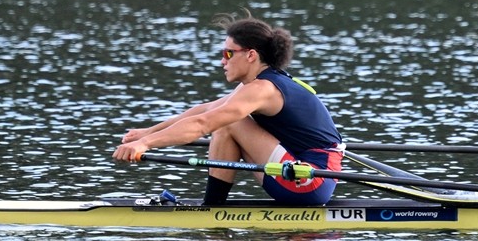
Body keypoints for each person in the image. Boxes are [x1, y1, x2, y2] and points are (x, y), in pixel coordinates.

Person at [113, 12, 344, 206]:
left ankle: (212, 209)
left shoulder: (263, 89)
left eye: (228, 53)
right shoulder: (259, 85)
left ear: (251, 55)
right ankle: (212, 207)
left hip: (311, 179)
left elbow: (203, 124)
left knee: (228, 122)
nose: (223, 61)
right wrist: (149, 132)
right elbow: (204, 110)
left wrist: (146, 144)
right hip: (303, 174)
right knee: (223, 120)